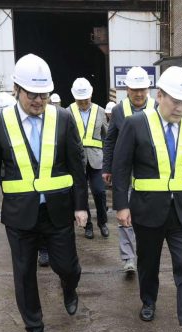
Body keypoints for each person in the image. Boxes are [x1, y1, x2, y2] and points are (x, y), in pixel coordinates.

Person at [0, 53, 88, 332]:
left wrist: (81, 206)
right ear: (16, 89)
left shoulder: (63, 118)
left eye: (44, 94)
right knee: (24, 273)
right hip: (19, 214)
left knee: (67, 266)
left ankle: (69, 286)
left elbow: (76, 166)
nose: (39, 101)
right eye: (32, 95)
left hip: (57, 210)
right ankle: (35, 329)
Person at [112, 66, 182, 332]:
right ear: (160, 96)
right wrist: (121, 205)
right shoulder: (136, 124)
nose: (180, 108)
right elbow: (121, 167)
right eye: (175, 101)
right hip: (147, 210)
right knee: (148, 262)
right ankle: (148, 300)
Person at [103, 66, 155, 273]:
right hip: (124, 170)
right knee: (124, 211)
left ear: (148, 89)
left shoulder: (157, 107)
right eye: (135, 90)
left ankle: (144, 253)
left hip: (149, 171)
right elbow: (110, 140)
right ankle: (128, 258)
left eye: (142, 89)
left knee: (146, 215)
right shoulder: (118, 111)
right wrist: (107, 167)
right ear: (127, 89)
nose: (139, 94)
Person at [68, 77, 109, 239]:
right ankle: (88, 226)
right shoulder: (68, 112)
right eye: (80, 100)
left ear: (91, 95)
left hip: (97, 160)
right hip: (77, 162)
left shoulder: (100, 111)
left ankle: (103, 222)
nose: (84, 103)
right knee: (81, 194)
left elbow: (107, 137)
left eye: (86, 100)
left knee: (99, 192)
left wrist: (108, 160)